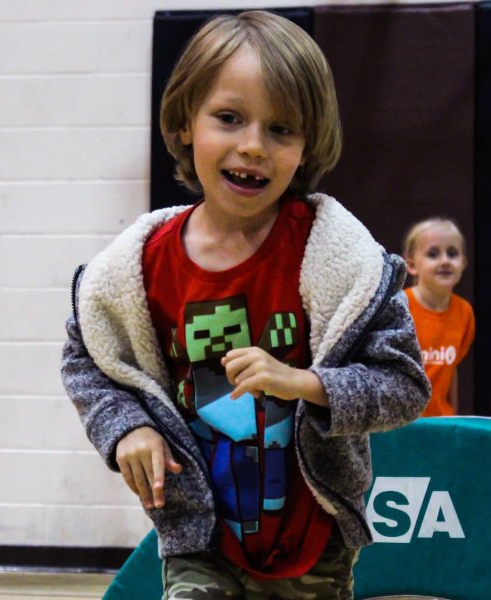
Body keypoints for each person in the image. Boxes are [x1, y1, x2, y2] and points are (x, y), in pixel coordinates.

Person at [61, 11, 430, 599]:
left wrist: (304, 382)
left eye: (281, 129)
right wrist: (125, 426)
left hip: (313, 543)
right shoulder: (136, 268)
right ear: (185, 123)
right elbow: (87, 357)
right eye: (229, 118)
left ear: (308, 143)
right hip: (200, 541)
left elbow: (405, 385)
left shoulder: (340, 258)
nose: (253, 145)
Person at [402, 218, 475, 417]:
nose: (445, 261)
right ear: (411, 265)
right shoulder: (399, 307)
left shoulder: (465, 312)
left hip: (440, 423)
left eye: (452, 253)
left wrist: (453, 420)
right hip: (399, 423)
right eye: (433, 254)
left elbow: (451, 372)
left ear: (463, 262)